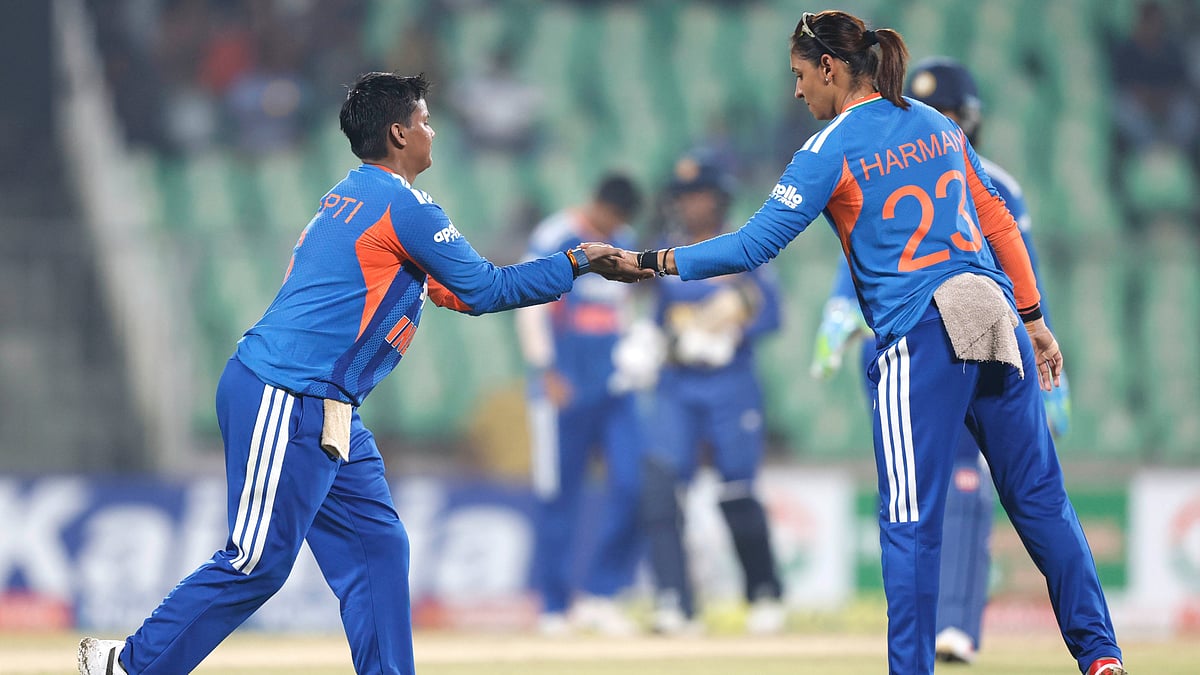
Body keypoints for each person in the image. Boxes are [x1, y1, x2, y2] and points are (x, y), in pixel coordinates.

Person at [77, 72, 649, 675]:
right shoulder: (405, 206)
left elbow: (445, 291)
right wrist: (579, 262)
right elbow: (482, 290)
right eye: (425, 120)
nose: (433, 130)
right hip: (289, 392)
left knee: (377, 545)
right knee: (256, 561)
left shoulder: (350, 195)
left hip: (320, 401)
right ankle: (128, 667)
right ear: (399, 133)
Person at [630, 11, 1125, 675]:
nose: (797, 92)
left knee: (908, 520)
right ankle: (1102, 657)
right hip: (991, 309)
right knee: (1042, 501)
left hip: (920, 330)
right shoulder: (935, 123)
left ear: (829, 68)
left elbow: (752, 244)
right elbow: (998, 219)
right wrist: (1035, 320)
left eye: (800, 76)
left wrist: (655, 261)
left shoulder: (829, 148)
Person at [809, 56, 1073, 664]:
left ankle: (954, 626)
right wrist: (838, 309)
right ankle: (923, 639)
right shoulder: (876, 161)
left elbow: (1019, 267)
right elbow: (863, 249)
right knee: (913, 498)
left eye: (952, 115)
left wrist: (1043, 343)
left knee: (965, 483)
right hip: (907, 343)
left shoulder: (998, 186)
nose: (942, 123)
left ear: (969, 123)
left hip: (976, 338)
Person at [638, 152, 786, 636]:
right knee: (661, 487)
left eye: (699, 194)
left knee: (737, 488)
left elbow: (770, 314)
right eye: (683, 196)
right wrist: (646, 345)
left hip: (731, 385)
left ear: (718, 197)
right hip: (679, 386)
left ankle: (765, 594)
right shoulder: (665, 249)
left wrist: (728, 337)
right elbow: (658, 319)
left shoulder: (744, 245)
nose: (690, 204)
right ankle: (675, 602)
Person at [515, 172, 645, 636]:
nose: (614, 229)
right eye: (611, 219)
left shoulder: (624, 240)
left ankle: (600, 595)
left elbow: (622, 307)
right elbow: (530, 301)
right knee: (558, 497)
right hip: (561, 390)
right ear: (596, 205)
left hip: (613, 388)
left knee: (634, 483)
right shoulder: (556, 236)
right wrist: (545, 369)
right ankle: (552, 605)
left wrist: (632, 353)